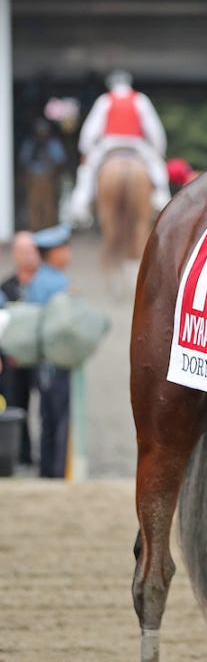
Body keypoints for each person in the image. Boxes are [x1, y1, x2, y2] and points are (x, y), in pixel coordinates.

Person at [68, 69, 171, 228]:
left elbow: (90, 130)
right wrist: (159, 151)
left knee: (86, 172)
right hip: (136, 145)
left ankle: (80, 209)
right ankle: (161, 202)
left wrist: (85, 151)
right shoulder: (141, 99)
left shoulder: (104, 100)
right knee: (157, 168)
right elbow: (154, 129)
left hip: (109, 145)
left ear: (110, 84)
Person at [24, 224, 74, 479]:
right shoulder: (57, 283)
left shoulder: (38, 279)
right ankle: (57, 471)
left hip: (42, 362)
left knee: (47, 417)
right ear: (53, 253)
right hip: (55, 362)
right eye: (64, 248)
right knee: (60, 417)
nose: (68, 253)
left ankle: (47, 470)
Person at [0, 231, 42, 470]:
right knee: (16, 405)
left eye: (32, 251)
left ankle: (47, 458)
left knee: (50, 410)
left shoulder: (45, 285)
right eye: (23, 251)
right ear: (15, 255)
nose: (28, 256)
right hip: (14, 361)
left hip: (42, 359)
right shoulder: (6, 287)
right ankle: (21, 455)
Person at [18, 118, 67, 231]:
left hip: (48, 178)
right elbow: (23, 161)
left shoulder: (53, 143)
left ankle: (49, 228)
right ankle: (35, 228)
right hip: (33, 178)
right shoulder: (31, 143)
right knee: (34, 204)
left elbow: (60, 160)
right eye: (39, 131)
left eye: (43, 131)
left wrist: (54, 173)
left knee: (49, 204)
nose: (41, 133)